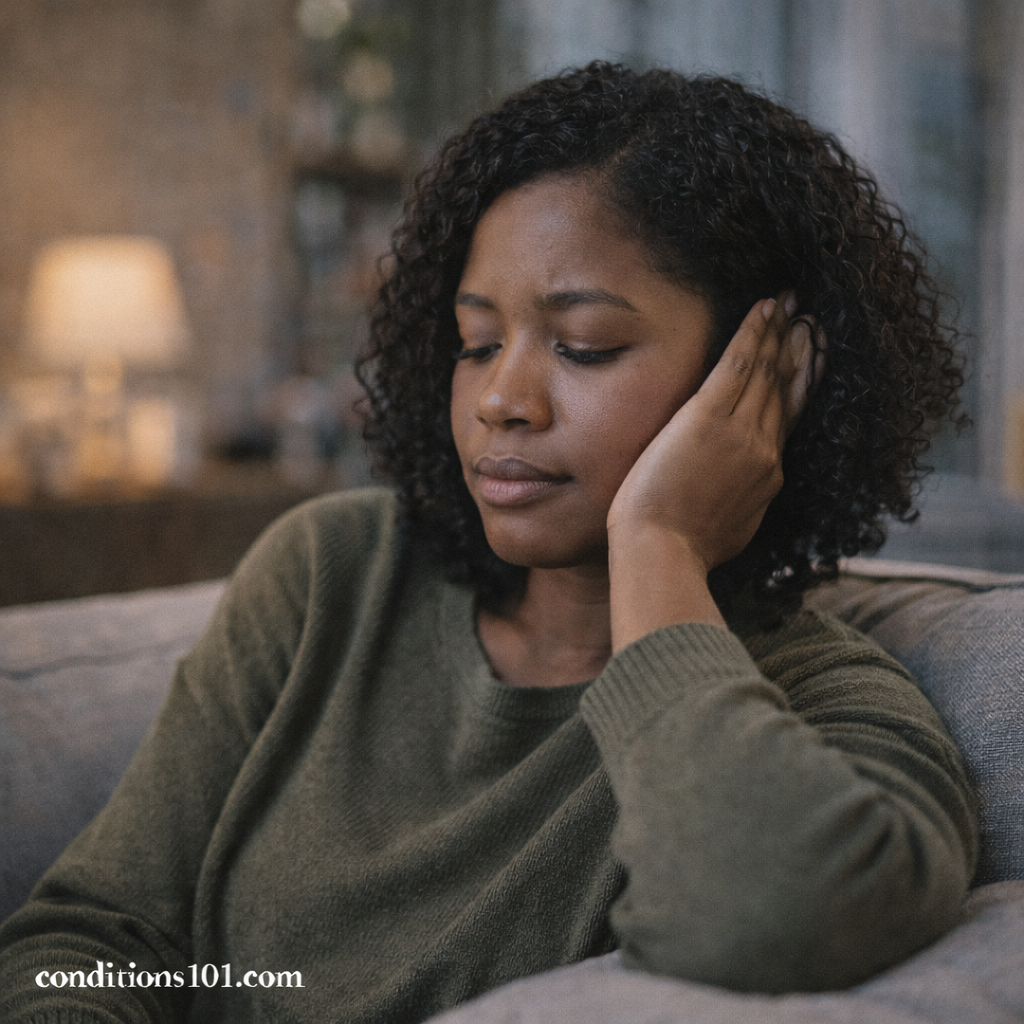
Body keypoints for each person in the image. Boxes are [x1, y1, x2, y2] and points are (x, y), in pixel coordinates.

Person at [0, 63, 976, 1024]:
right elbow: (97, 933)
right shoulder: (332, 577)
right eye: (474, 343)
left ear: (768, 378)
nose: (501, 399)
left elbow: (766, 923)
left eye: (582, 344)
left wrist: (658, 542)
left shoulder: (830, 713)